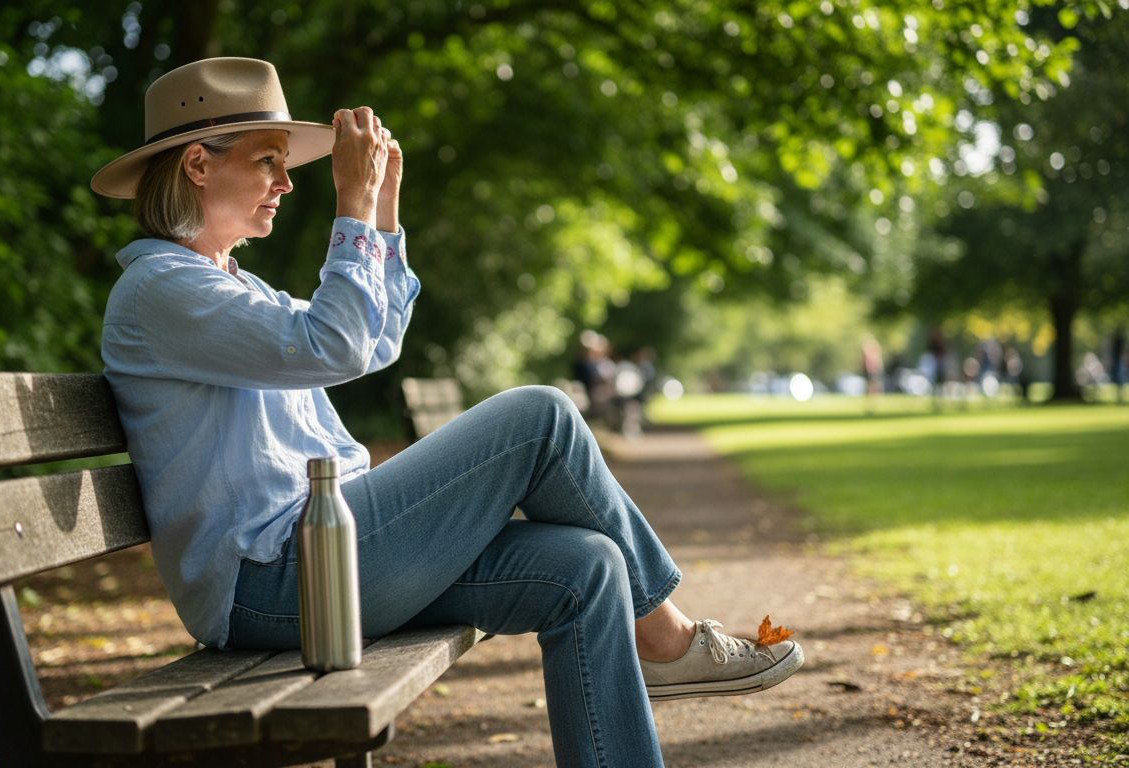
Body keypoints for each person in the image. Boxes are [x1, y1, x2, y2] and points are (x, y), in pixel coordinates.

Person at [92, 57, 802, 767]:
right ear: (196, 165)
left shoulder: (230, 285)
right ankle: (670, 643)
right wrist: (351, 204)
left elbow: (373, 345)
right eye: (268, 162)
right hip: (272, 584)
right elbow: (335, 345)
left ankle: (654, 671)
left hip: (325, 555)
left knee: (586, 566)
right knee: (541, 416)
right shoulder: (161, 290)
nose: (285, 182)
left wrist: (383, 212)